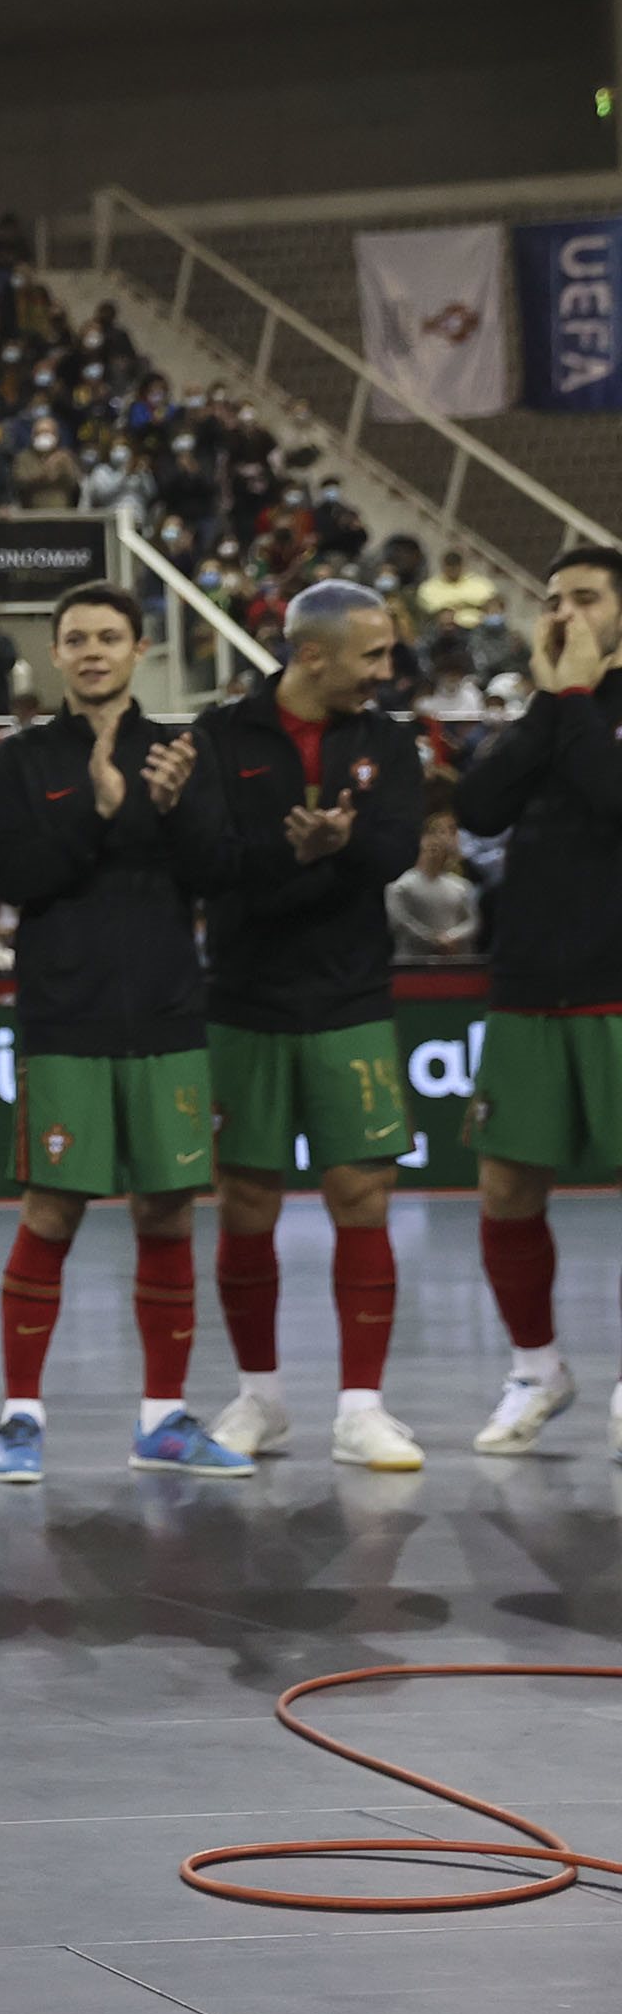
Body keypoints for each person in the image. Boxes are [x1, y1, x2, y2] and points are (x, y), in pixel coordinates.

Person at [0, 582, 247, 1486]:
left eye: (110, 638)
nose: (93, 652)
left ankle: (162, 1419)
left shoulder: (184, 751)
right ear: (55, 655)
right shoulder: (20, 760)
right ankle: (20, 1417)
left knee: (167, 1210)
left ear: (138, 651)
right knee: (50, 1212)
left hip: (167, 1015)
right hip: (65, 1019)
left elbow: (218, 873)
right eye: (77, 639)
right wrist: (94, 812)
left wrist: (173, 809)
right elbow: (14, 878)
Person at [195, 580, 428, 1469]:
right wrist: (303, 855)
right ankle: (260, 1398)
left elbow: (396, 848)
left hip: (349, 1001)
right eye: (372, 654)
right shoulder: (222, 737)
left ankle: (361, 1407)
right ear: (311, 653)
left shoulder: (389, 741)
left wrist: (337, 849)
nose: (387, 670)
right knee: (245, 1205)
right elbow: (214, 866)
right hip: (244, 1001)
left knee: (361, 1198)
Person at [452, 547, 622, 1459]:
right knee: (507, 1187)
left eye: (587, 599)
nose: (564, 615)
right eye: (552, 600)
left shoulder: (585, 712)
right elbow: (477, 808)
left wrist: (579, 703)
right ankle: (537, 1367)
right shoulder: (545, 710)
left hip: (619, 988)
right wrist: (556, 704)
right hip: (527, 983)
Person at [385, 813, 481, 961]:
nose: (433, 850)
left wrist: (450, 937)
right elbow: (400, 923)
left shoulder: (461, 886)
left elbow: (473, 921)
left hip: (456, 964)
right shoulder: (400, 887)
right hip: (413, 966)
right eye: (429, 847)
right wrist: (435, 941)